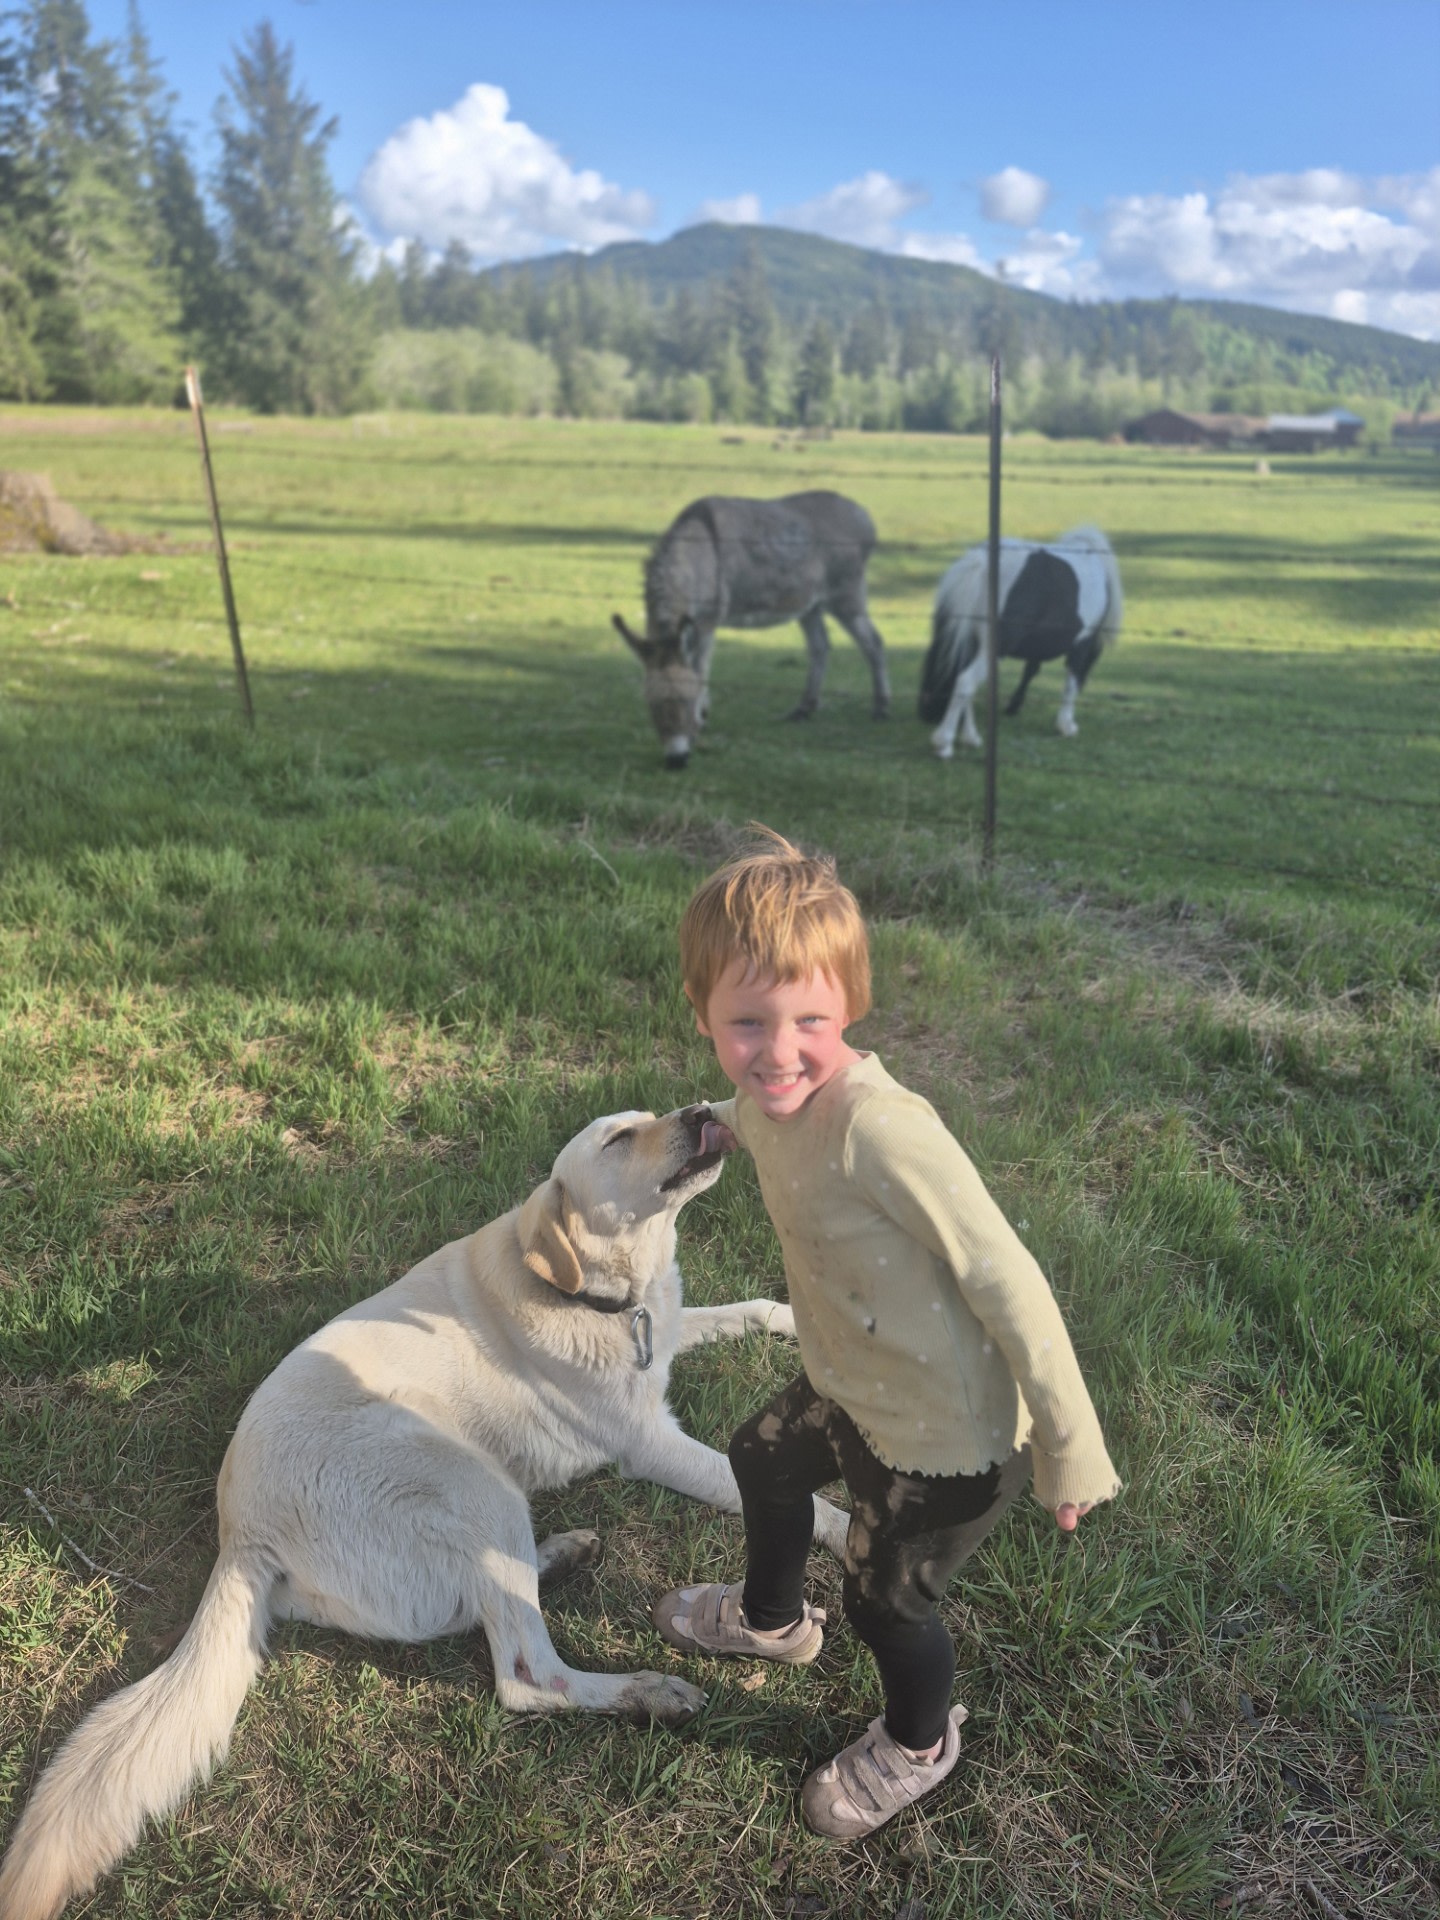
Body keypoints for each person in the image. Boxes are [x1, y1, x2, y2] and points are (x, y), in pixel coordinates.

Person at [652, 826, 1121, 1840]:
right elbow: (759, 1103)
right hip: (854, 1380)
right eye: (747, 1024)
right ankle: (773, 1625)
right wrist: (729, 1123)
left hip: (946, 1438)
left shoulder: (882, 1127)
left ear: (850, 1007)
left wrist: (1071, 1439)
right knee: (761, 1460)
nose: (778, 1052)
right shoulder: (768, 1095)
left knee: (886, 1600)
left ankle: (918, 1744)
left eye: (808, 1020)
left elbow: (1007, 1275)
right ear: (704, 1016)